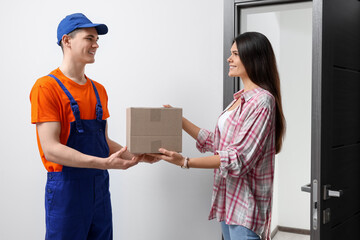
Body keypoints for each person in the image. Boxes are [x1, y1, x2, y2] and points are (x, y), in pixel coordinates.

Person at [152, 32, 285, 240]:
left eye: (235, 54)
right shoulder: (239, 100)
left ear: (253, 57)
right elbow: (219, 142)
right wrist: (180, 120)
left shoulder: (262, 101)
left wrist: (185, 162)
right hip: (227, 205)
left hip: (245, 211)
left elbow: (238, 158)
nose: (229, 59)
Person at [30, 13, 149, 240]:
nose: (96, 45)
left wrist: (137, 154)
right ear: (67, 41)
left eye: (97, 40)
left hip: (99, 189)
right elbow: (51, 149)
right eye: (89, 38)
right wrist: (103, 163)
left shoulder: (99, 90)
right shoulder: (46, 87)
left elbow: (102, 142)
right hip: (67, 190)